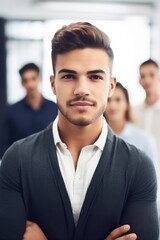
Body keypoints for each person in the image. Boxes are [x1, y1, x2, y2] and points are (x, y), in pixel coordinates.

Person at [0, 22, 158, 240]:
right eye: (68, 76)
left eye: (94, 77)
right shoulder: (16, 160)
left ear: (111, 85)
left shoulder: (138, 166)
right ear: (53, 84)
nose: (82, 89)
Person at [0, 63, 58, 158]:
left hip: (49, 164)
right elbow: (3, 145)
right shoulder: (11, 112)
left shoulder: (54, 109)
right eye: (25, 81)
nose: (30, 84)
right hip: (20, 166)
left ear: (40, 79)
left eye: (33, 79)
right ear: (22, 84)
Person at [104, 82, 158, 163]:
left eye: (118, 100)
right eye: (108, 100)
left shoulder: (144, 141)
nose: (112, 106)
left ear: (127, 104)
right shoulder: (93, 138)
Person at [134, 59, 160, 175]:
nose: (147, 80)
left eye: (151, 75)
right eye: (143, 76)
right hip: (140, 175)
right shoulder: (133, 113)